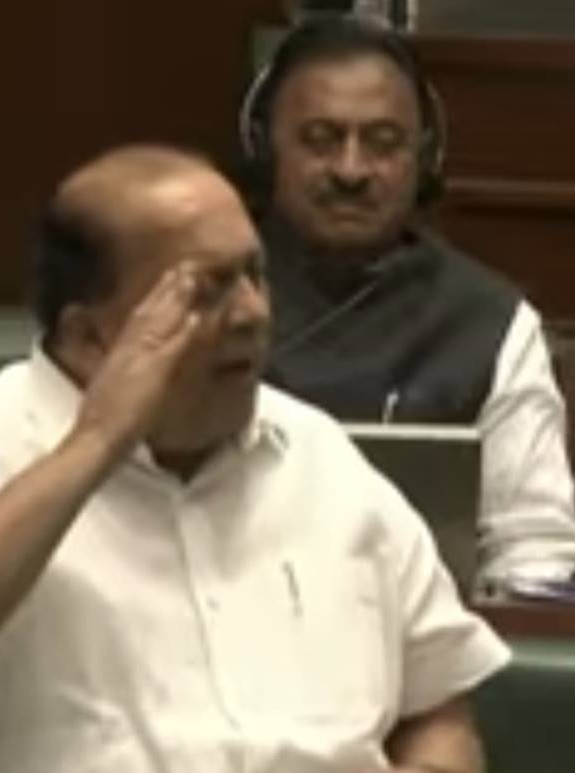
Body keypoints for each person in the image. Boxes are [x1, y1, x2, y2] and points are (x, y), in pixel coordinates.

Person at [0, 145, 507, 773]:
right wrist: (97, 442)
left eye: (255, 275)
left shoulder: (322, 460)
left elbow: (436, 710)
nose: (253, 313)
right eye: (206, 290)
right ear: (90, 337)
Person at [237, 16, 575, 592]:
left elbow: (534, 557)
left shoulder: (489, 322)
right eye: (320, 139)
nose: (351, 170)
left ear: (425, 157)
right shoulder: (195, 295)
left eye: (383, 143)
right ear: (265, 148)